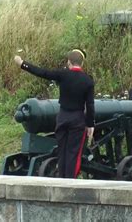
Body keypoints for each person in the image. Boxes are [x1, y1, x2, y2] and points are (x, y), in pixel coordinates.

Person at [14, 49, 95, 178]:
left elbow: (43, 72)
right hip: (77, 119)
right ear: (82, 63)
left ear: (69, 62)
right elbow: (90, 105)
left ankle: (61, 180)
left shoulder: (63, 75)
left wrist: (23, 64)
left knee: (62, 150)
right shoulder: (88, 81)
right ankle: (70, 180)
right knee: (73, 153)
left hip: (63, 117)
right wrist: (90, 124)